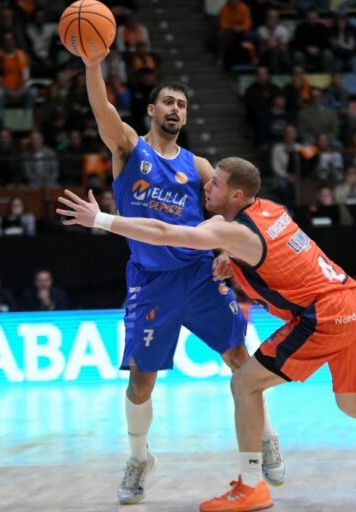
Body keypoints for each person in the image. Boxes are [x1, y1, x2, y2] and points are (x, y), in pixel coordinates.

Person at [56, 157, 356, 511]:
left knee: (245, 384)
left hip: (326, 315)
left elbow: (164, 233)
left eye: (215, 184)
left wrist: (101, 220)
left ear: (237, 194)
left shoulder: (232, 231)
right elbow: (269, 249)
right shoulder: (271, 210)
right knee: (353, 404)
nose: (206, 186)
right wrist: (233, 257)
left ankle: (251, 485)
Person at [79, 52, 283, 504]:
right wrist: (93, 65)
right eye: (168, 102)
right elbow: (103, 112)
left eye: (183, 105)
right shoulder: (130, 149)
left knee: (238, 357)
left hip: (198, 275)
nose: (176, 110)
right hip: (151, 280)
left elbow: (240, 212)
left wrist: (229, 250)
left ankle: (265, 436)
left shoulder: (201, 167)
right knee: (141, 381)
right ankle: (139, 458)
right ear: (152, 110)